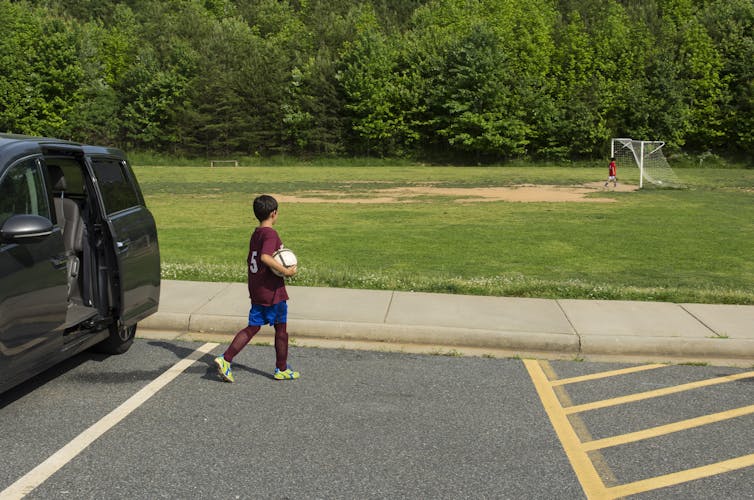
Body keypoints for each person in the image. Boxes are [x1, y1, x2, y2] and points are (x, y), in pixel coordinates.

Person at [214, 195, 299, 382]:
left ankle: (226, 359)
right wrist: (286, 271)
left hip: (257, 288)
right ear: (273, 213)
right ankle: (282, 369)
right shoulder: (270, 234)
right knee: (281, 330)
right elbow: (265, 257)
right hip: (272, 291)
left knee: (253, 327)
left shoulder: (256, 233)